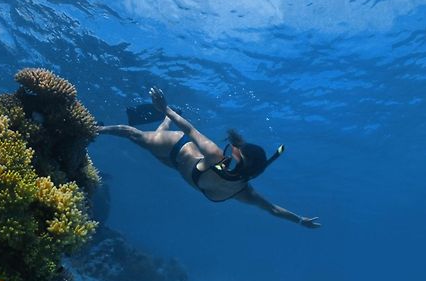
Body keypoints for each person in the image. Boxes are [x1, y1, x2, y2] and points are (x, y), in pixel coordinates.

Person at [97, 87, 321, 228]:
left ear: (240, 157)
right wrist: (165, 110)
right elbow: (188, 131)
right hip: (177, 146)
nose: (235, 148)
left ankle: (164, 122)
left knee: (152, 142)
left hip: (177, 166)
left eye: (239, 149)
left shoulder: (241, 187)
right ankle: (98, 129)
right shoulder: (232, 177)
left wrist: (299, 220)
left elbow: (272, 208)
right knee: (136, 136)